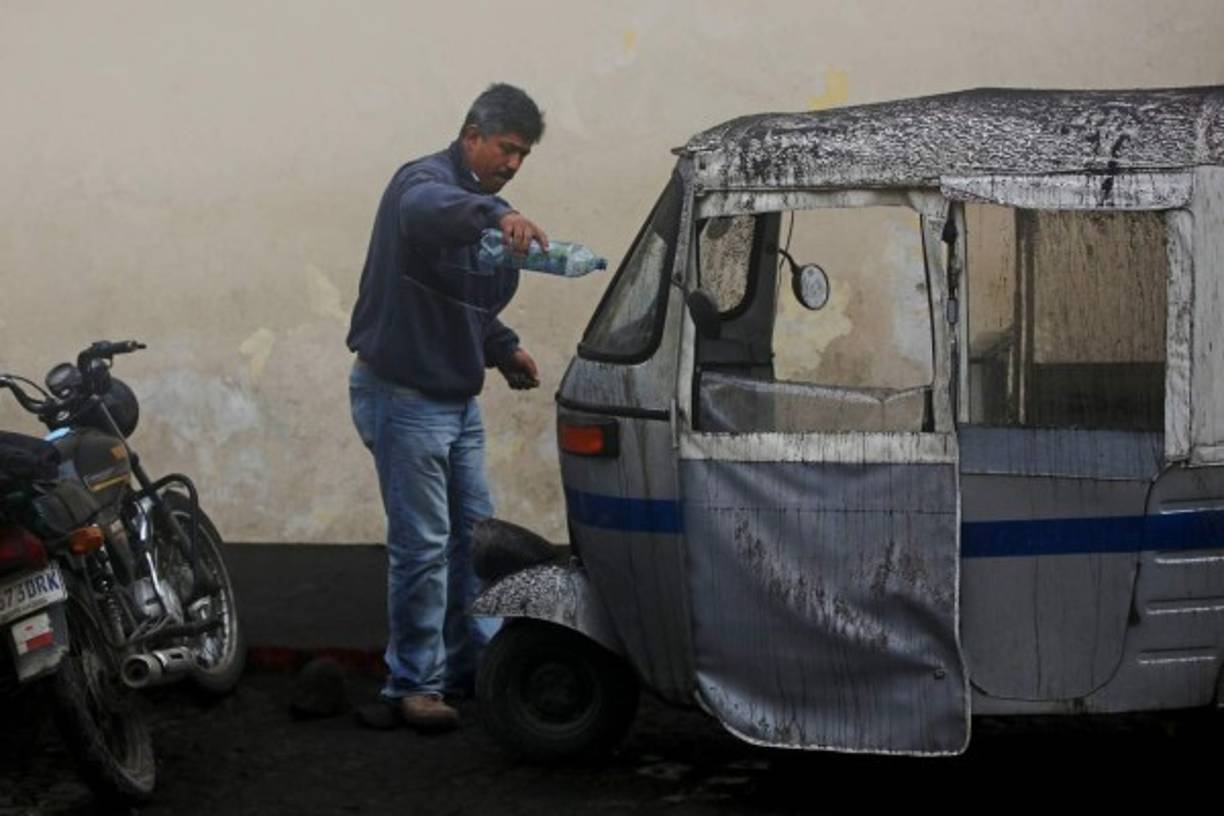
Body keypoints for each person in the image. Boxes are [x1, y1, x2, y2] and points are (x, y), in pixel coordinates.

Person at [346, 83, 548, 732]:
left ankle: (474, 670)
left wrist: (505, 349)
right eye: (506, 148)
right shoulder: (424, 185)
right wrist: (496, 216)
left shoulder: (483, 207)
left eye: (523, 154)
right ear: (471, 135)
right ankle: (412, 686)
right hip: (404, 398)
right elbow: (426, 211)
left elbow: (468, 302)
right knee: (424, 547)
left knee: (476, 542)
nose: (513, 163)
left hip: (457, 401)